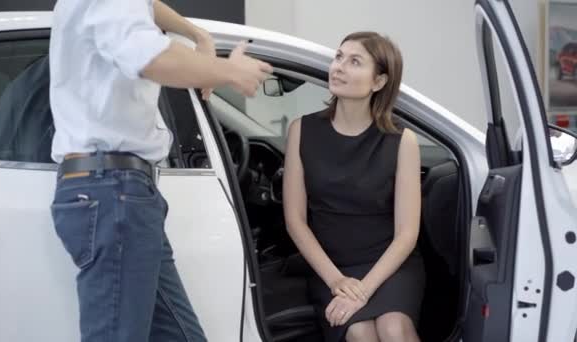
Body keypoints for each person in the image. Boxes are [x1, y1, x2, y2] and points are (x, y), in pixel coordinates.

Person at [48, 1, 273, 341]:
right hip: (113, 191)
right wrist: (225, 70)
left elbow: (145, 8)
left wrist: (196, 33)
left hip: (119, 192)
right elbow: (150, 57)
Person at [283, 31, 424, 342]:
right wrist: (337, 281)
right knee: (360, 333)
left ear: (379, 81)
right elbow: (295, 220)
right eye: (338, 57)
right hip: (331, 267)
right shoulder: (302, 130)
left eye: (354, 61)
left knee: (394, 328)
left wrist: (363, 290)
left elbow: (407, 234)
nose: (339, 67)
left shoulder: (402, 141)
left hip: (389, 265)